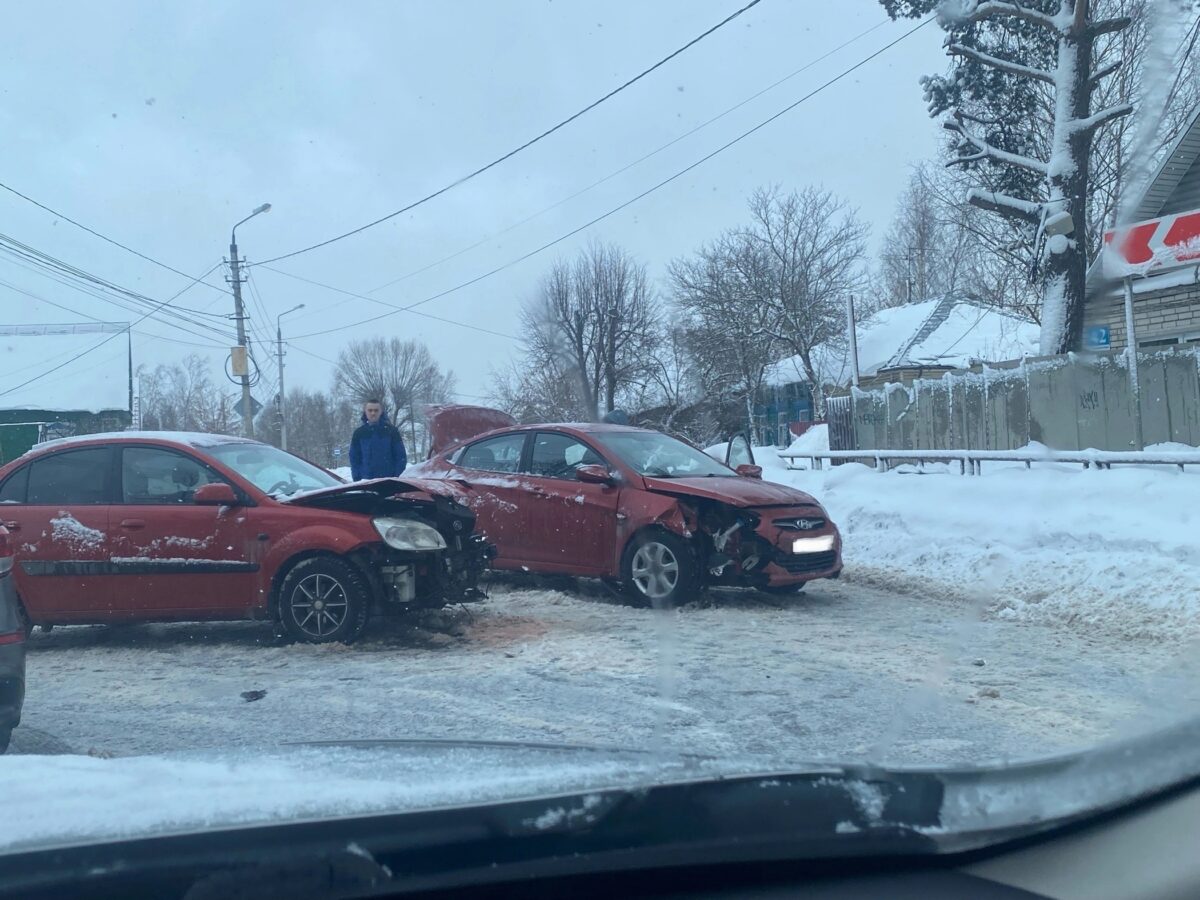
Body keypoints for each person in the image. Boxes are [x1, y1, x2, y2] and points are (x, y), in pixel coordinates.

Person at [349, 399, 408, 481]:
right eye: (370, 410)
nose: (373, 413)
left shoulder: (391, 431)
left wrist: (396, 478)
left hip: (388, 482)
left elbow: (401, 457)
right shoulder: (359, 433)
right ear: (365, 412)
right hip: (366, 482)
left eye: (376, 410)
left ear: (381, 412)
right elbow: (354, 458)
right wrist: (357, 478)